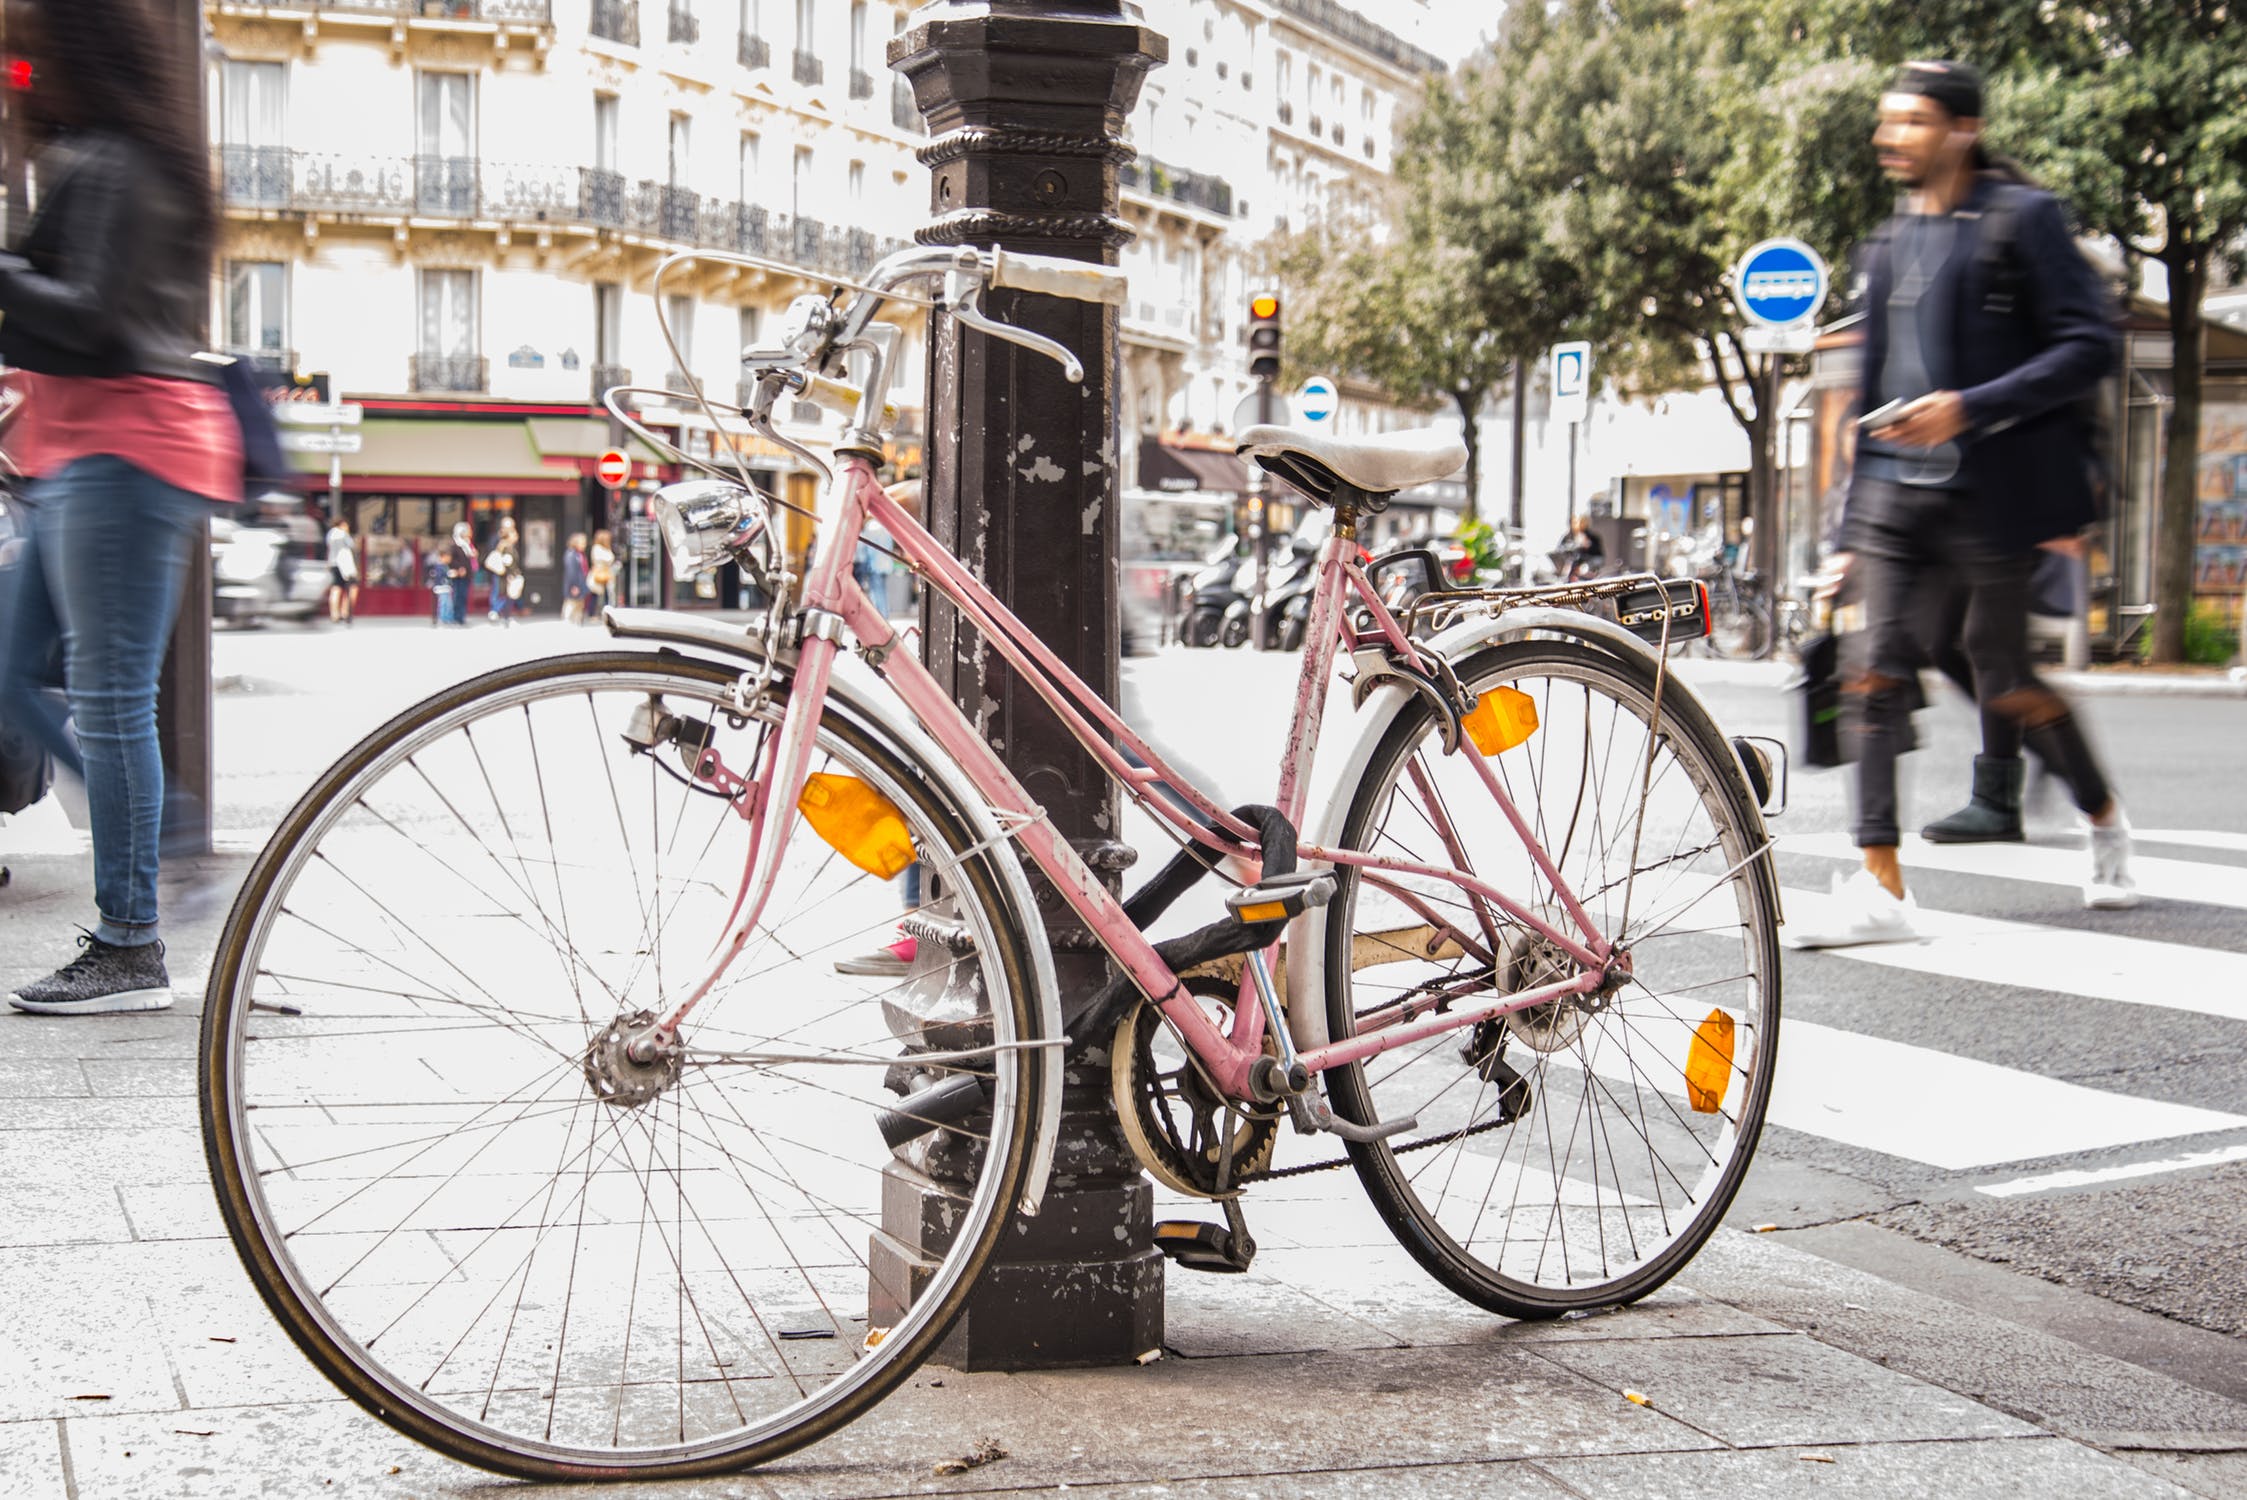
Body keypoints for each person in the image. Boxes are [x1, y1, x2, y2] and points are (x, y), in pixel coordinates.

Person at [1790, 60, 2133, 949]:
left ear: (1960, 131)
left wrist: (1969, 408)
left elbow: (2087, 344)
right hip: (1896, 501)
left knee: (2001, 673)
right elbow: (1869, 393)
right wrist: (1845, 531)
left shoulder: (2022, 220)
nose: (1885, 137)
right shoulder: (1887, 242)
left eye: (1907, 122)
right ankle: (1881, 888)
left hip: (1991, 491)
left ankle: (2101, 815)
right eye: (1885, 122)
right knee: (1871, 672)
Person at [0, 0, 242, 1013]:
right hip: (80, 452)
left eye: (28, 57)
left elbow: (93, 318)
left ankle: (130, 941)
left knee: (106, 701)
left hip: (125, 450)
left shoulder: (120, 166)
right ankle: (167, 837)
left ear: (70, 54)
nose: (21, 72)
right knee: (13, 674)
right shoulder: (101, 158)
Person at [484, 515, 522, 626]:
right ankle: (495, 611)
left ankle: (504, 615)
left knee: (506, 594)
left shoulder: (508, 544)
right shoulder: (503, 544)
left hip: (504, 573)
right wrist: (511, 573)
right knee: (502, 594)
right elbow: (507, 561)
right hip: (503, 574)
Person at [326, 513, 359, 626]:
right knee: (351, 588)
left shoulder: (330, 534)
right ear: (343, 524)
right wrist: (347, 533)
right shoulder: (343, 534)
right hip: (345, 565)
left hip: (334, 564)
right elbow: (352, 545)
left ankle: (334, 614)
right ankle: (345, 612)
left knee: (336, 589)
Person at [443, 521, 477, 627]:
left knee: (463, 596)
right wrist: (459, 568)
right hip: (458, 576)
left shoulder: (466, 544)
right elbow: (451, 560)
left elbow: (470, 557)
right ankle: (456, 617)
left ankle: (461, 617)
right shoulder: (455, 545)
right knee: (458, 596)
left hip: (466, 575)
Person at [1556, 516, 1604, 581]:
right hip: (1571, 566)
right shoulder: (1567, 537)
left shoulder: (1590, 537)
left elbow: (1598, 555)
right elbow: (1561, 550)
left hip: (1586, 565)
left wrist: (1587, 546)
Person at [562, 531, 591, 624]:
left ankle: (577, 622)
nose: (584, 545)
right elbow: (571, 572)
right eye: (582, 543)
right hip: (574, 584)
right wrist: (574, 585)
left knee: (579, 605)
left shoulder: (580, 555)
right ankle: (567, 622)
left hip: (581, 583)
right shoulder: (571, 554)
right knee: (571, 604)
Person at [588, 528, 616, 616]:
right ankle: (592, 614)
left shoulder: (605, 548)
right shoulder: (597, 548)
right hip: (599, 573)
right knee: (595, 594)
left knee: (606, 594)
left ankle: (606, 612)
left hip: (605, 573)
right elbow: (609, 558)